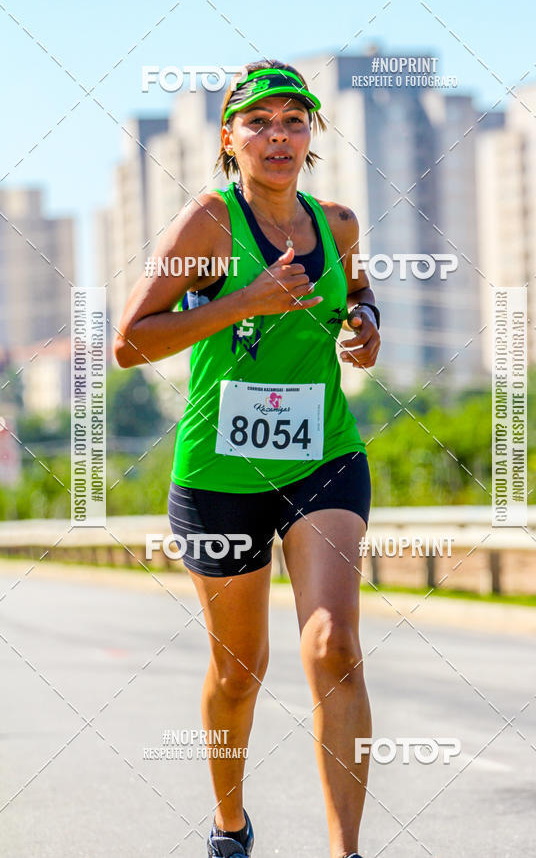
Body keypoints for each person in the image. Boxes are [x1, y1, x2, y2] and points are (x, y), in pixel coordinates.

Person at [114, 59, 381, 858]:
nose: (277, 136)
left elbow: (359, 290)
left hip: (322, 457)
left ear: (313, 136)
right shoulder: (209, 224)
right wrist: (244, 301)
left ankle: (347, 852)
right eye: (258, 123)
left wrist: (365, 324)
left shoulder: (336, 224)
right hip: (220, 474)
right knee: (240, 671)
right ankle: (231, 825)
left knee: (333, 644)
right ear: (230, 139)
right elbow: (129, 341)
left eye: (293, 121)